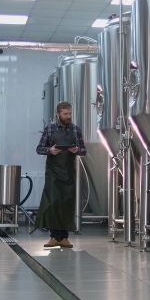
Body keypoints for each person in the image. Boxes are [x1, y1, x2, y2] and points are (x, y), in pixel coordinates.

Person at [35, 101, 87, 248]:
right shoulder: (50, 129)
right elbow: (39, 149)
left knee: (66, 204)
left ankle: (64, 237)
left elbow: (84, 150)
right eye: (65, 114)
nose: (68, 116)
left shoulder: (76, 130)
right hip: (53, 173)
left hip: (69, 173)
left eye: (70, 113)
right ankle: (54, 236)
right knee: (53, 203)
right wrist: (49, 150)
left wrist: (77, 151)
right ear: (58, 114)